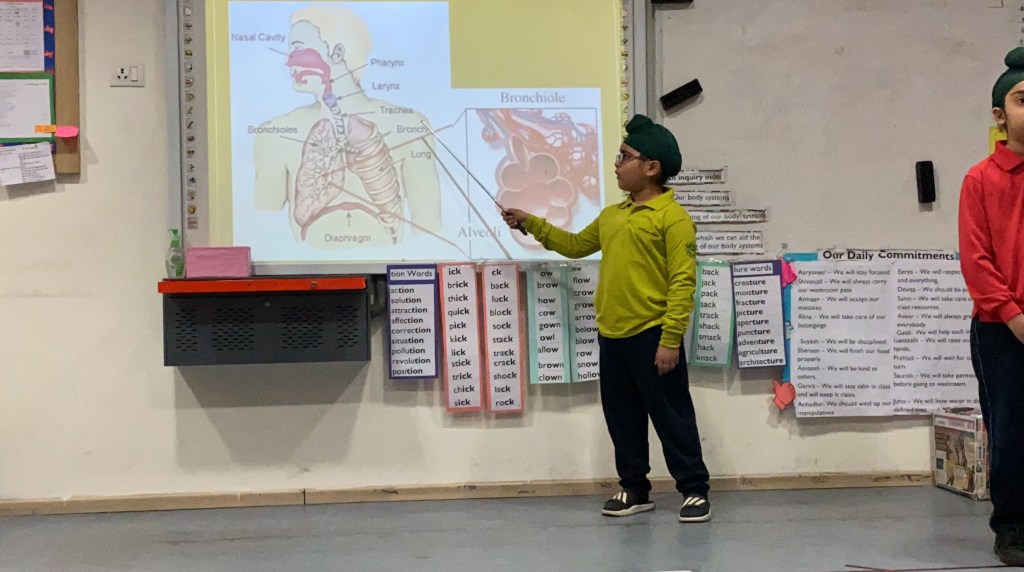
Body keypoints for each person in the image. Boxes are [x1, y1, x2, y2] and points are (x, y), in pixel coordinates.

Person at [502, 114, 711, 522]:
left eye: (625, 157)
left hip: (653, 335)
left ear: (652, 167)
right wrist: (532, 223)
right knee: (622, 416)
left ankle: (694, 490)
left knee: (671, 415)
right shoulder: (614, 215)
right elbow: (575, 246)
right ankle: (634, 487)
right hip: (612, 335)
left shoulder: (674, 219)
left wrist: (670, 339)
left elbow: (683, 282)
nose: (616, 164)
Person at [958, 46, 1024, 566]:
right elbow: (977, 260)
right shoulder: (980, 179)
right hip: (1002, 331)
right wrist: (1014, 316)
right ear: (1000, 116)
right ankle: (1013, 527)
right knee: (1011, 429)